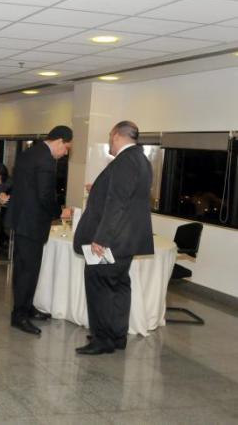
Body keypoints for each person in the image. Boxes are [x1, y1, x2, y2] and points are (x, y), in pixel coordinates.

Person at [73, 121, 153, 355]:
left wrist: (101, 238)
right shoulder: (142, 160)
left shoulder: (124, 161)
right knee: (119, 286)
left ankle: (102, 340)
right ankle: (117, 336)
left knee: (99, 287)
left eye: (110, 136)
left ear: (117, 135)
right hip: (126, 241)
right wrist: (98, 190)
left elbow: (117, 202)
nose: (109, 140)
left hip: (112, 240)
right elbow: (126, 197)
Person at [5, 126, 73, 335]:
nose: (65, 153)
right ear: (59, 141)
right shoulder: (46, 160)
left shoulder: (30, 152)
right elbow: (45, 195)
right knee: (28, 271)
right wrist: (60, 212)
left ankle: (26, 307)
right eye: (66, 148)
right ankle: (20, 315)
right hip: (31, 223)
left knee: (24, 268)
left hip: (21, 219)